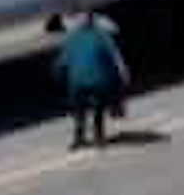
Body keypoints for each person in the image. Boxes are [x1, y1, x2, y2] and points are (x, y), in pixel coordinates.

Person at [53, 9, 129, 151]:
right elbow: (115, 55)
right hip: (98, 81)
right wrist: (123, 72)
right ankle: (98, 136)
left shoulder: (72, 38)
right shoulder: (101, 35)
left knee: (78, 109)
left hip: (78, 83)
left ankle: (79, 138)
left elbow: (61, 62)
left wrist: (57, 75)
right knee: (98, 106)